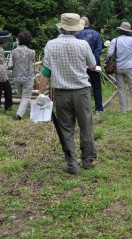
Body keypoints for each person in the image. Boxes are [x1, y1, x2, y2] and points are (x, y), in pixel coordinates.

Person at [38, 13, 98, 175]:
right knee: (86, 126)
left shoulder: (51, 45)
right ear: (76, 29)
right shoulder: (83, 45)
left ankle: (71, 163)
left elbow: (46, 71)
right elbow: (92, 66)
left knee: (66, 128)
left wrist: (40, 93)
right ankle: (87, 160)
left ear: (62, 27)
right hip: (81, 93)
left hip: (61, 93)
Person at [107, 22, 132, 112]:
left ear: (120, 30)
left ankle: (124, 110)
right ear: (128, 31)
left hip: (118, 68)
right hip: (129, 67)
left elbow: (110, 54)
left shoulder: (114, 40)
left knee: (121, 89)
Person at [76, 16, 104, 114]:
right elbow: (99, 50)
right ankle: (99, 109)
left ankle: (81, 109)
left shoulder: (77, 34)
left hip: (80, 65)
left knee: (80, 86)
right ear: (89, 23)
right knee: (96, 85)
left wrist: (83, 62)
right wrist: (93, 62)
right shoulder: (96, 34)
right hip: (95, 65)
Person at [9, 31, 36, 121]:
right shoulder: (32, 52)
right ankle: (18, 115)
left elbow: (9, 65)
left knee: (24, 97)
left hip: (16, 77)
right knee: (26, 97)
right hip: (28, 77)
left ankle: (31, 112)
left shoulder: (13, 52)